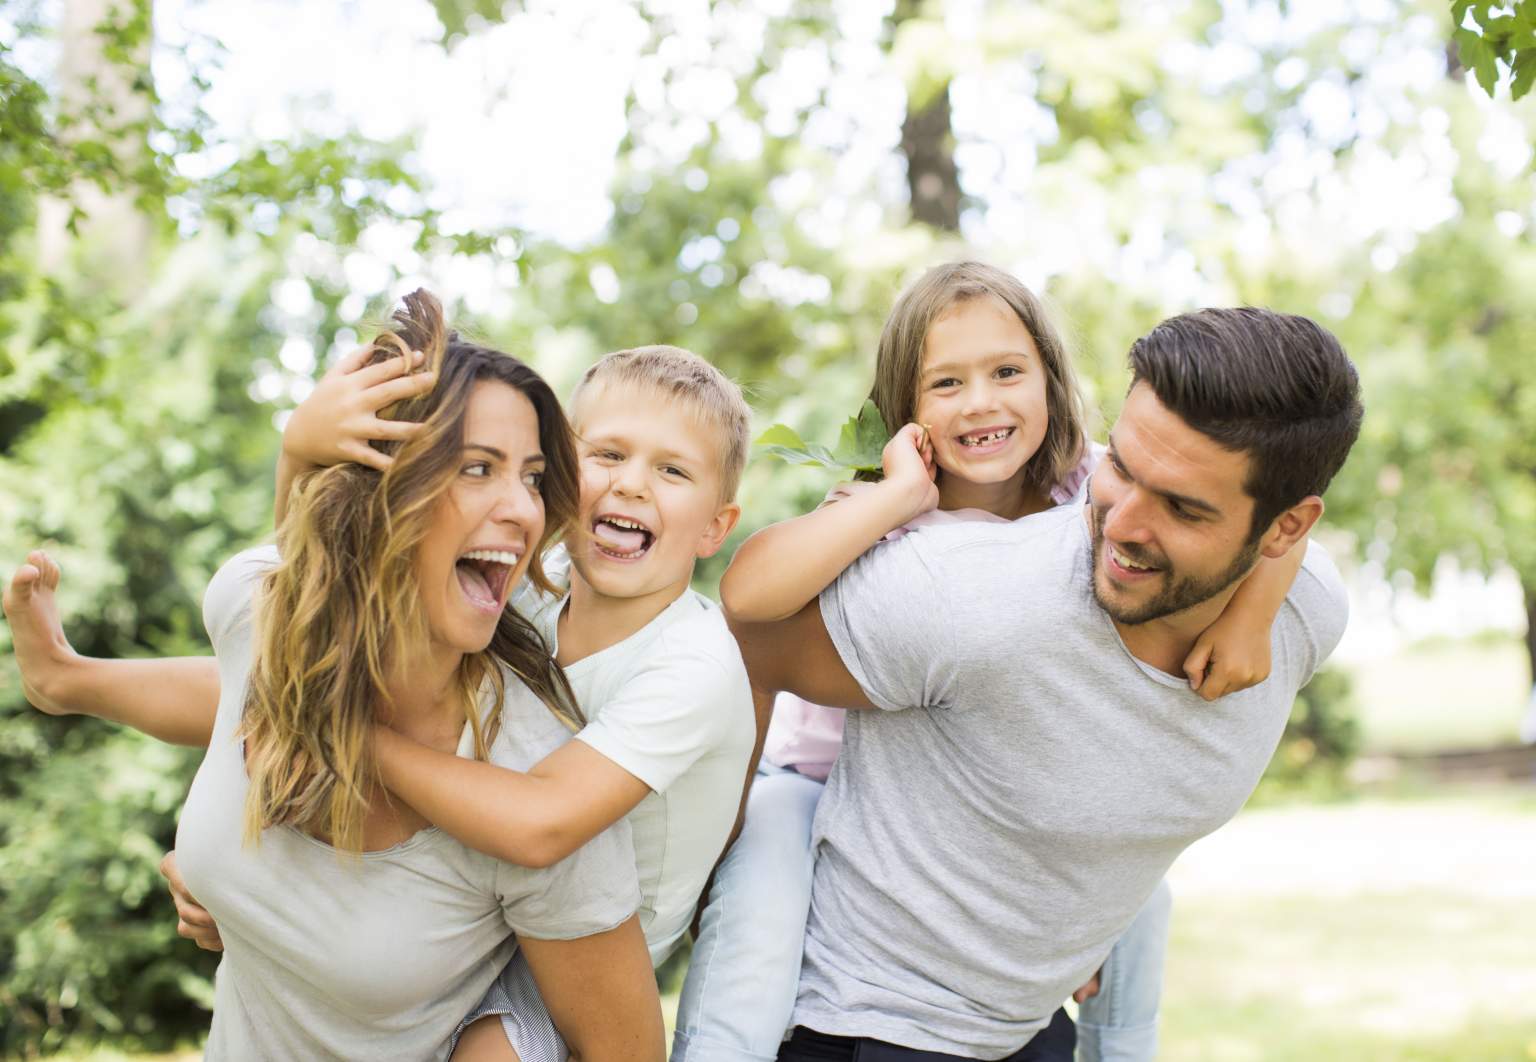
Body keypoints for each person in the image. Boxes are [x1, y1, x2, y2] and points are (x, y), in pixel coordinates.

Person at [2, 292, 664, 1061]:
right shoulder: (261, 615)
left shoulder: (529, 772)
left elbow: (627, 1051)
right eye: (478, 468)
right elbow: (255, 671)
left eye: (532, 476)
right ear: (378, 493)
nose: (522, 508)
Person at [675, 263, 1300, 1062]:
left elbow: (1278, 503)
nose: (981, 402)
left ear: (1050, 378)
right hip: (817, 781)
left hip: (1012, 801)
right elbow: (750, 593)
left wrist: (1253, 615)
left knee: (1143, 901)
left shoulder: (1098, 488)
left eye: (1007, 372)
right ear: (904, 407)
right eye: (946, 382)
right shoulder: (879, 513)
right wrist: (897, 501)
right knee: (752, 957)